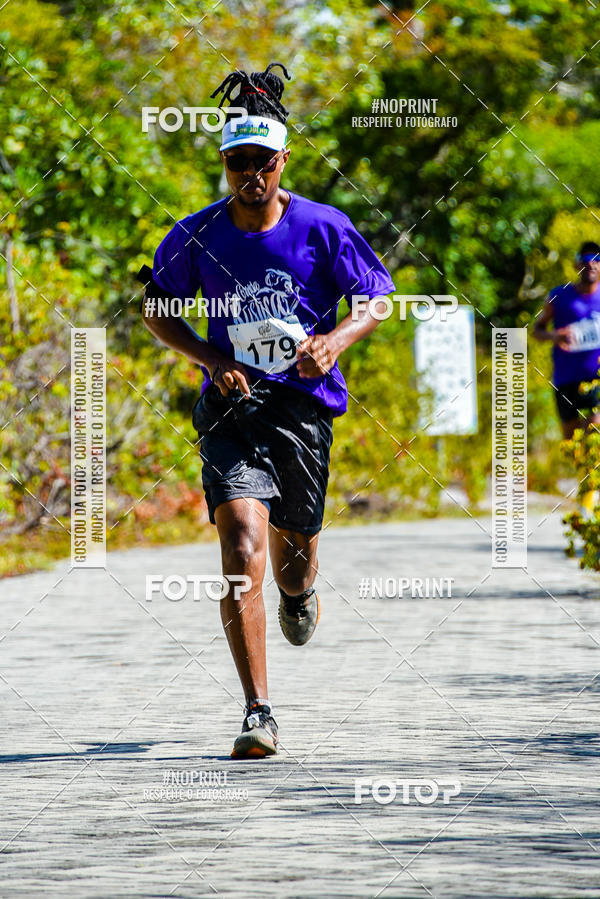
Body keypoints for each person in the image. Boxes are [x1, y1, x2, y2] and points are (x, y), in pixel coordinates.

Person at [140, 62, 395, 758]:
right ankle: (258, 711)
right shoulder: (197, 235)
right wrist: (210, 359)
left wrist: (334, 340)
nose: (250, 174)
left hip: (304, 408)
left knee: (291, 559)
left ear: (283, 160)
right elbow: (156, 309)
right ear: (224, 164)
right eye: (237, 162)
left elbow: (376, 295)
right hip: (232, 408)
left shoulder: (324, 227)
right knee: (240, 550)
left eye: (262, 162)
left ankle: (298, 591)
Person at [533, 241, 600, 439]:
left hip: (596, 377)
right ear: (577, 265)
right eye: (586, 260)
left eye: (597, 260)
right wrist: (555, 335)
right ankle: (584, 467)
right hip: (566, 379)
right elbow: (536, 330)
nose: (591, 264)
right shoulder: (559, 296)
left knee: (596, 424)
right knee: (571, 438)